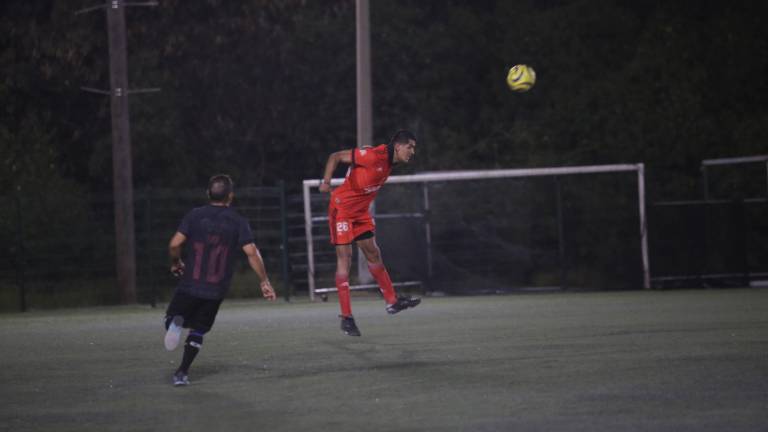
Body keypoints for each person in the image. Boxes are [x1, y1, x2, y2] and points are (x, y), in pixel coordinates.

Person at [163, 174, 276, 386]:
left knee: (170, 319)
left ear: (208, 193)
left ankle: (175, 324)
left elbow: (174, 244)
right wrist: (264, 281)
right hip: (215, 288)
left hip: (190, 283)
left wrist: (176, 262)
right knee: (199, 330)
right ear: (230, 196)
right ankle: (181, 373)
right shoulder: (238, 221)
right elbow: (252, 252)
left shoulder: (195, 215)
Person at [319, 130, 421, 336]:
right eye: (410, 147)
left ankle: (392, 302)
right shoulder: (374, 155)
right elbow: (335, 156)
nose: (412, 152)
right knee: (345, 259)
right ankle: (346, 318)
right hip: (342, 210)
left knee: (374, 253)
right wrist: (326, 182)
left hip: (360, 213)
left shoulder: (391, 162)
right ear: (398, 146)